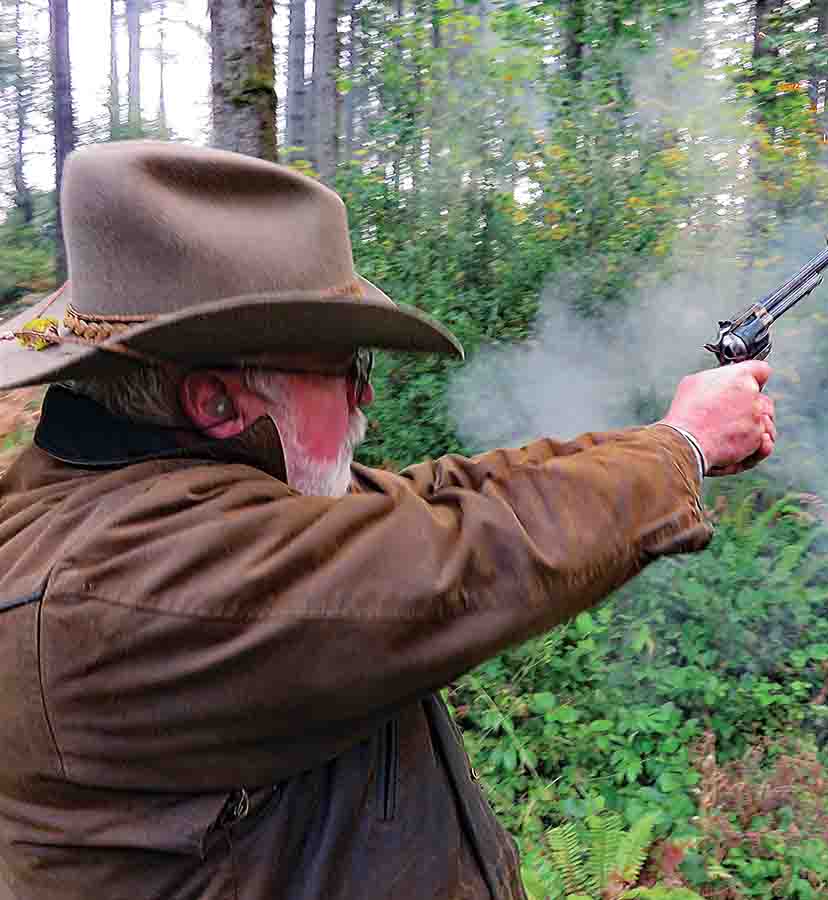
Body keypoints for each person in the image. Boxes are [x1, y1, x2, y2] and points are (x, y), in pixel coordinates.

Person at [0, 141, 776, 900]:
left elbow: (436, 495)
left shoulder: (143, 497)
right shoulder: (130, 582)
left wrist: (659, 440)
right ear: (215, 403)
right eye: (348, 372)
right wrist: (683, 451)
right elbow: (464, 550)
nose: (365, 398)